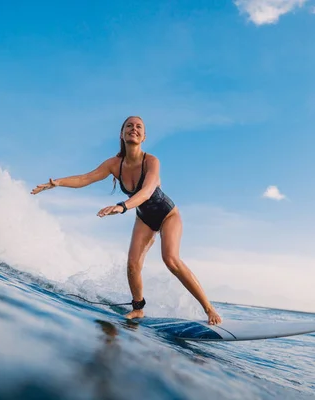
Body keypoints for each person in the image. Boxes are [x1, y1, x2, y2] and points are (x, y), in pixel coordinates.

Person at [31, 116, 222, 325]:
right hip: (144, 218)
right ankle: (138, 309)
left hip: (168, 215)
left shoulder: (151, 161)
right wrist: (58, 183)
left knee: (171, 260)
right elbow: (86, 178)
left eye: (139, 126)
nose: (134, 129)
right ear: (122, 134)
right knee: (132, 265)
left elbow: (148, 191)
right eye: (129, 126)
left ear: (144, 136)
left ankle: (209, 309)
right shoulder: (114, 164)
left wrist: (122, 206)